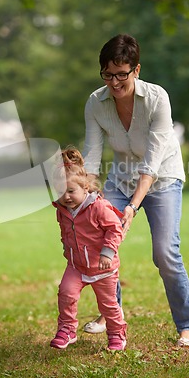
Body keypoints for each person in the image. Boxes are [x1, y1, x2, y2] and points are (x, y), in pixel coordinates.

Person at [82, 33, 189, 347]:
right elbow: (92, 155)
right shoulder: (96, 102)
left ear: (136, 70)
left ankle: (187, 325)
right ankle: (110, 312)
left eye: (122, 74)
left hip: (161, 179)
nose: (115, 82)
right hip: (120, 179)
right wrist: (86, 197)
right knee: (99, 244)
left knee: (165, 253)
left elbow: (152, 162)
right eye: (108, 74)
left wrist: (133, 207)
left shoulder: (157, 98)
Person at [50, 147, 127, 351]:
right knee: (66, 293)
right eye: (60, 192)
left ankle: (116, 334)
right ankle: (67, 330)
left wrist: (107, 252)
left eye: (71, 191)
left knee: (108, 305)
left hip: (102, 267)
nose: (65, 197)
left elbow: (115, 228)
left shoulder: (99, 207)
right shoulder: (62, 211)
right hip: (77, 266)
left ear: (86, 188)